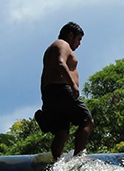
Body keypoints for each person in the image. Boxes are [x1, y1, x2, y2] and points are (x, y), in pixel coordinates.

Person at [35, 21, 94, 160]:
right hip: (62, 90)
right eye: (79, 39)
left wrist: (46, 97)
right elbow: (60, 63)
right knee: (87, 120)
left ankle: (55, 162)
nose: (79, 43)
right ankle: (79, 158)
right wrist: (73, 84)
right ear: (71, 35)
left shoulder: (51, 48)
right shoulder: (62, 44)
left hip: (51, 93)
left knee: (62, 130)